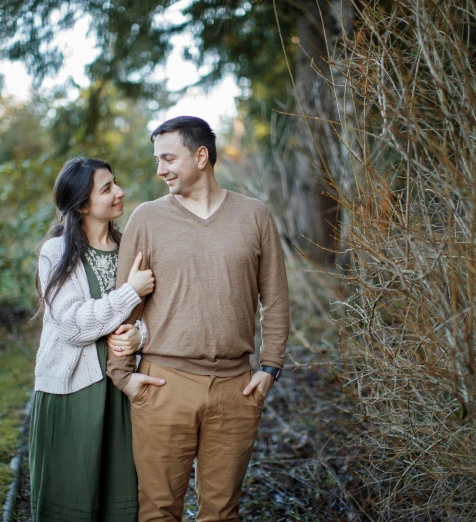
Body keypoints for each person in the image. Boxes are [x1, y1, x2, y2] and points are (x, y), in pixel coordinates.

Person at [107, 116, 290, 522]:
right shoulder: (148, 219)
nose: (160, 170)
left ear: (201, 156)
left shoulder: (254, 216)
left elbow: (275, 297)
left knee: (223, 513)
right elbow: (124, 301)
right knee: (158, 511)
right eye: (157, 160)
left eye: (168, 158)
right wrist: (124, 376)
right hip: (163, 384)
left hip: (235, 390)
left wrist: (271, 367)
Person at [30, 157, 164, 522]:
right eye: (107, 188)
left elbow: (156, 315)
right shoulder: (55, 253)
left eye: (115, 183)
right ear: (82, 205)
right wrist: (129, 293)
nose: (120, 192)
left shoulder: (130, 250)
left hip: (121, 392)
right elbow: (73, 327)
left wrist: (141, 335)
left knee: (120, 502)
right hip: (71, 394)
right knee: (71, 501)